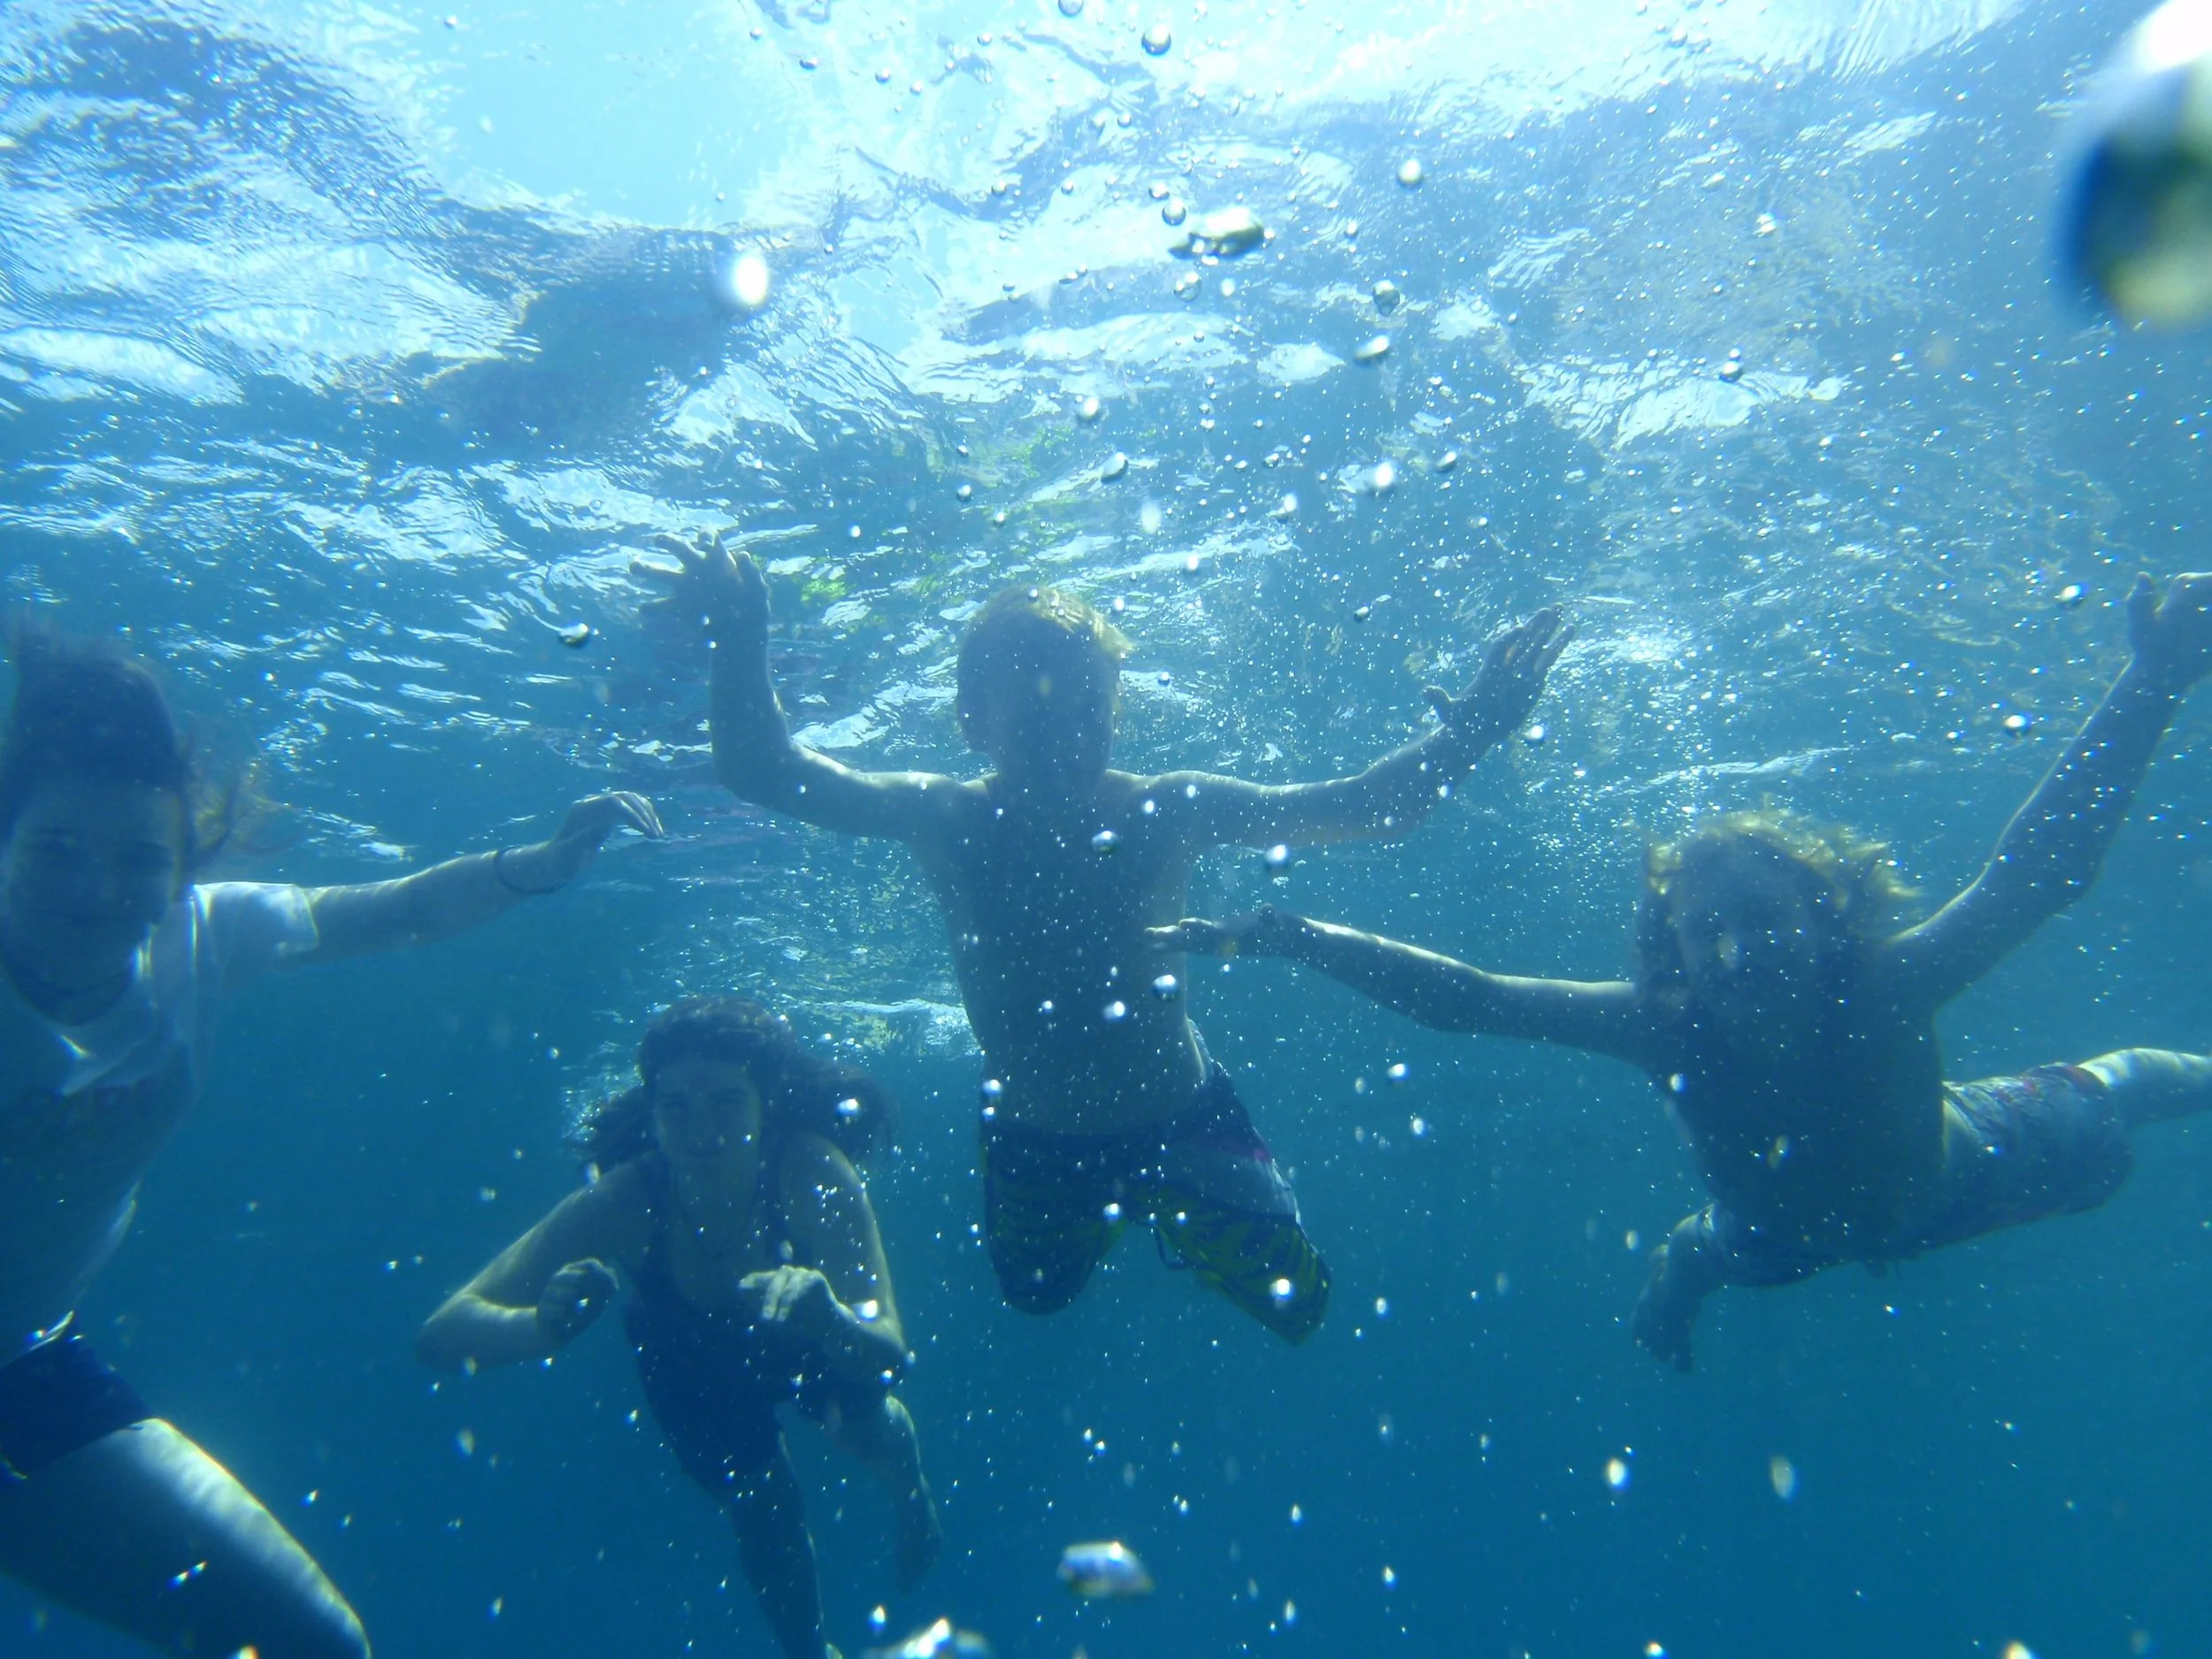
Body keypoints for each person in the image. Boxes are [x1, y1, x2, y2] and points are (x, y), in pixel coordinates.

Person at [1152, 573, 2212, 1371]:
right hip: (1771, 1234)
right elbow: (1470, 1000)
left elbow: (2040, 875)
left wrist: (2152, 680)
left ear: (1827, 919)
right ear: (1674, 954)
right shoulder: (1663, 1025)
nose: (1736, 949)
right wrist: (1297, 934)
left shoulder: (1886, 984)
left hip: (1969, 1172)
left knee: (2120, 1089)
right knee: (1702, 1254)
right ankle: (1673, 1283)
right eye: (1706, 931)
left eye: (1764, 919)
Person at [640, 534, 1570, 1343]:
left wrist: (1472, 736)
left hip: (1184, 1114)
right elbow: (767, 772)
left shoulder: (1168, 808)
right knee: (1036, 1298)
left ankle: (1172, 1215)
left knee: (1303, 1310)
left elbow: (1361, 809)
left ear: (1117, 714)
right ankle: (1143, 1214)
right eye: (1037, 714)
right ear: (973, 722)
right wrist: (740, 637)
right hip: (1036, 1134)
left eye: (1088, 712)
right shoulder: (948, 819)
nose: (1067, 737)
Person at [0, 624, 662, 1658]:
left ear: (183, 868)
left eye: (139, 859)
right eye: (55, 851)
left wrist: (542, 864)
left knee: (318, 1644)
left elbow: (394, 911)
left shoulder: (202, 937)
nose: (96, 892)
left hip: (25, 1362)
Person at [417, 996, 938, 1659]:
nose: (701, 1134)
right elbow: (442, 1334)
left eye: (727, 1102)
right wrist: (541, 1329)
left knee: (861, 1426)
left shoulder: (813, 1171)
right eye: (676, 1108)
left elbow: (887, 1352)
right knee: (762, 1508)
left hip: (808, 1330)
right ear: (653, 1110)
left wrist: (829, 1317)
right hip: (689, 1358)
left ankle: (911, 1493)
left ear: (766, 1102)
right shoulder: (624, 1198)